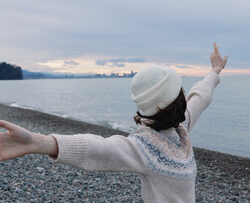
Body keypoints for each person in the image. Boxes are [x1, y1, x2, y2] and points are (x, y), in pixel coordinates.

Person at [0, 43, 228, 203]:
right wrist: (36, 142)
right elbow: (96, 148)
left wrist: (215, 71)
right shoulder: (142, 148)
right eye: (180, 90)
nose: (185, 94)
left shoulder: (181, 130)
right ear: (176, 99)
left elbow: (200, 96)